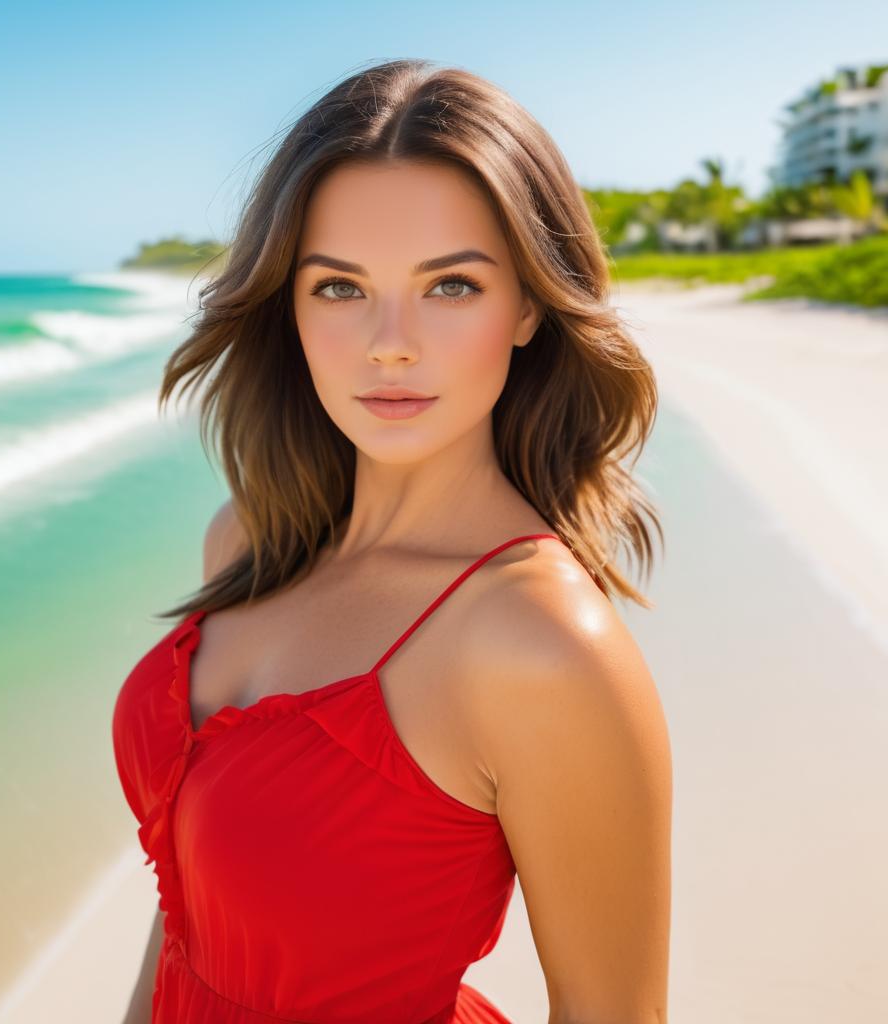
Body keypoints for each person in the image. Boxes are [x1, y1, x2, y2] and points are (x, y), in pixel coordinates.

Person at [113, 57, 671, 1024]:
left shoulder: (540, 645)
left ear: (531, 304)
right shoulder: (250, 540)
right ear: (289, 304)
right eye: (339, 288)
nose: (389, 343)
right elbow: (186, 907)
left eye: (450, 286)